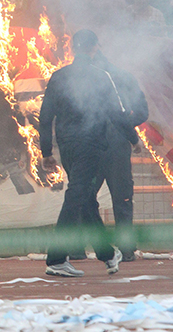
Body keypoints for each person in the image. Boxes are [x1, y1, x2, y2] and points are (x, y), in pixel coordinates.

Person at [38, 29, 125, 277]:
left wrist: (46, 150)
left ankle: (107, 253)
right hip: (90, 145)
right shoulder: (102, 76)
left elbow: (45, 117)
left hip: (67, 147)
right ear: (95, 47)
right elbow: (116, 113)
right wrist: (133, 138)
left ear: (72, 48)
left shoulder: (58, 76)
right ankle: (56, 258)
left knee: (85, 197)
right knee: (77, 195)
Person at [91, 51, 148, 262]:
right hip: (117, 146)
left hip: (93, 147)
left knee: (83, 197)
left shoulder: (84, 80)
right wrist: (128, 124)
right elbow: (142, 111)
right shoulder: (124, 77)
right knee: (122, 198)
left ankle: (77, 248)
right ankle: (126, 249)